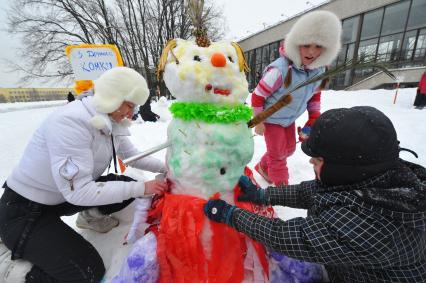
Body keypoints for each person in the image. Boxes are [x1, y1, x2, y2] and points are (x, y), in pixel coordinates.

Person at [204, 106, 426, 282]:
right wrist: (264, 196)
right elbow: (312, 192)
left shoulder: (375, 225)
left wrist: (232, 216)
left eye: (318, 160)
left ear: (347, 169)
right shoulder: (377, 177)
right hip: (348, 268)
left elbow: (289, 237)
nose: (310, 161)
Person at [0, 66, 169, 283]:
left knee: (125, 184)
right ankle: (10, 269)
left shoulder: (109, 119)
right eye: (129, 105)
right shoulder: (70, 122)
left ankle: (90, 216)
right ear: (113, 97)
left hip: (58, 198)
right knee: (86, 272)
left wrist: (168, 167)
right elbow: (78, 192)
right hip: (23, 212)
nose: (132, 113)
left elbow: (134, 156)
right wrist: (142, 188)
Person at [252, 11, 341, 186]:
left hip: (288, 119)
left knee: (289, 149)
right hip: (271, 118)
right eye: (306, 45)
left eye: (318, 46)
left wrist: (313, 118)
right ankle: (281, 191)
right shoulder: (280, 70)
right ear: (296, 43)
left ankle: (263, 166)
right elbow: (258, 95)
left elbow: (314, 95)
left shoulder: (319, 71)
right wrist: (259, 120)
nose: (312, 52)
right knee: (278, 157)